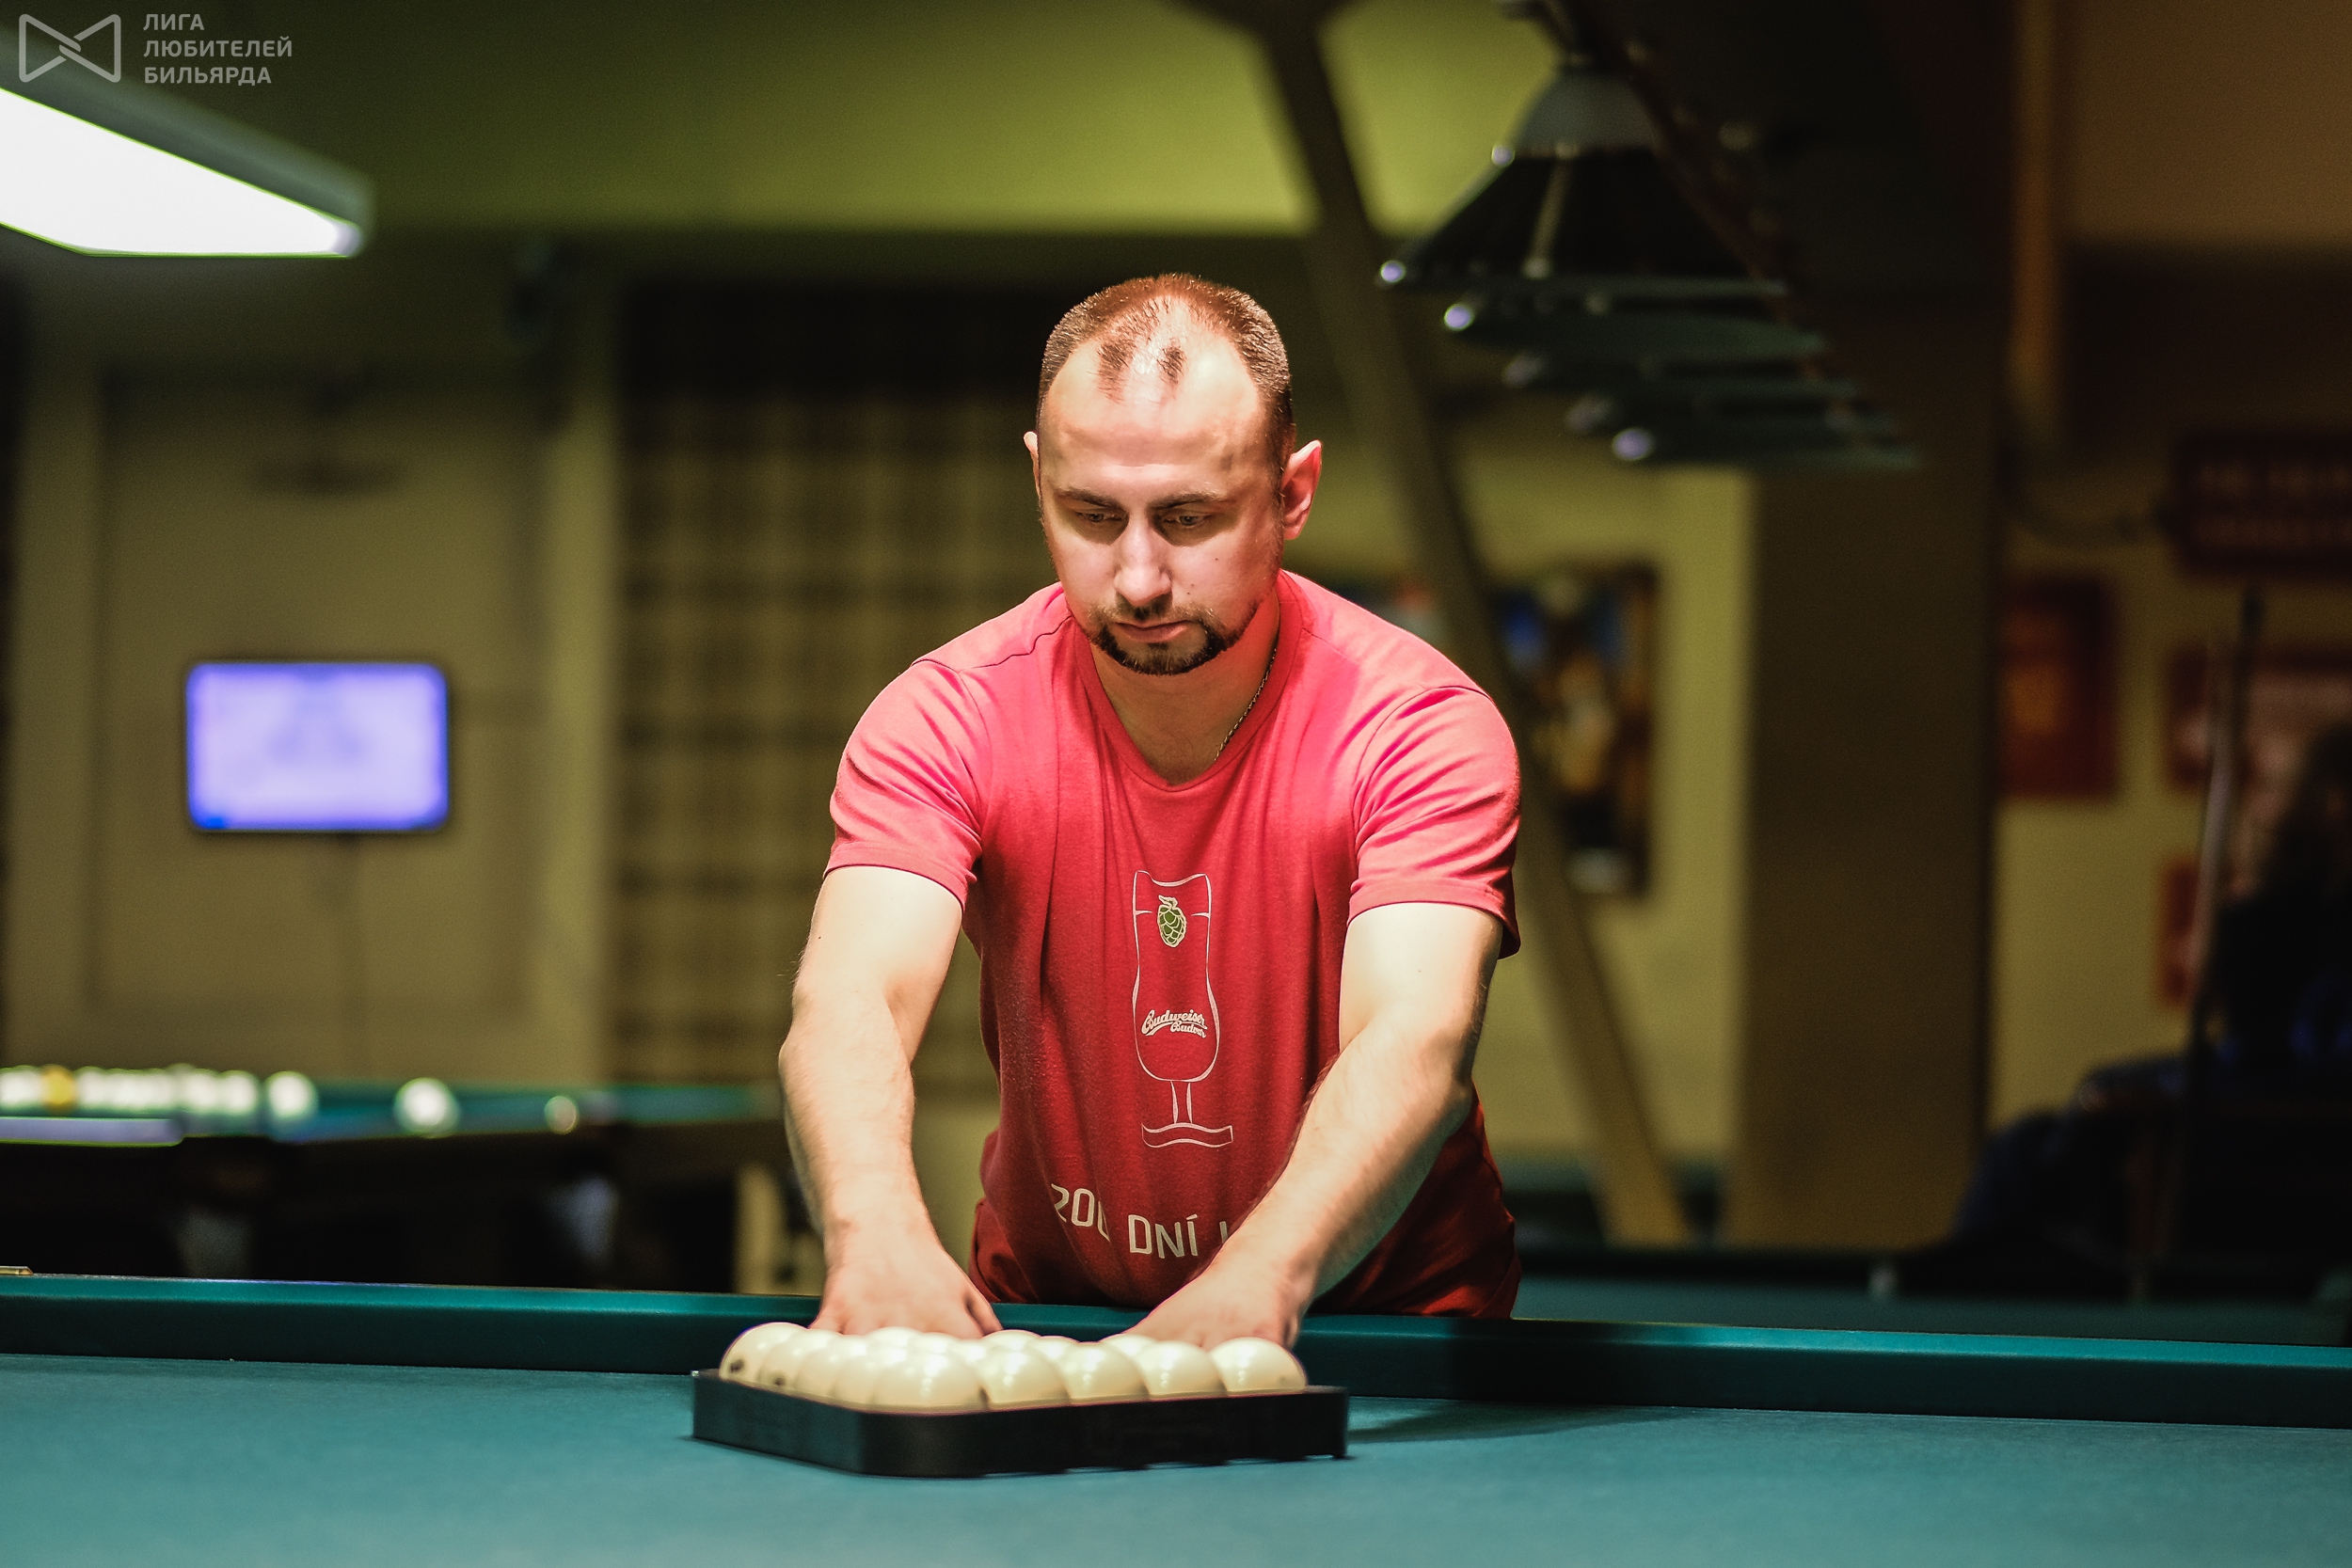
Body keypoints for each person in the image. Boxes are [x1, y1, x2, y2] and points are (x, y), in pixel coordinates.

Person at [778, 275, 1522, 1347]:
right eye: (1091, 515)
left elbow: (1415, 1036)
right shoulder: (946, 715)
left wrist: (1256, 1283)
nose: (1137, 578)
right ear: (1038, 481)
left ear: (1293, 493)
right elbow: (853, 996)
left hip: (1379, 1328)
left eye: (1188, 518)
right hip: (1051, 1318)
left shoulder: (1417, 727)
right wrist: (875, 1234)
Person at [1945, 721, 2352, 1270]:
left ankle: (1987, 1283)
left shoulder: (2300, 918)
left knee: (2063, 1134)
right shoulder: (2297, 909)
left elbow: (2277, 1059)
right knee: (2030, 1142)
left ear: (2333, 804)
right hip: (2256, 1139)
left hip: (2279, 1161)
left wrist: (2248, 908)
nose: (2259, 805)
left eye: (2274, 787)